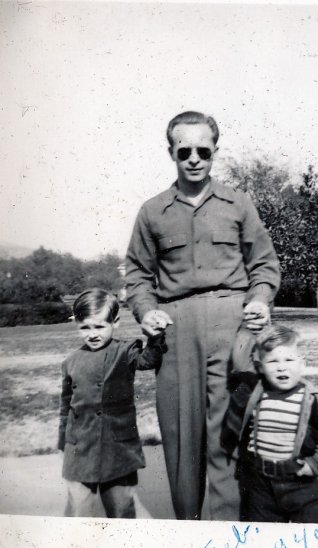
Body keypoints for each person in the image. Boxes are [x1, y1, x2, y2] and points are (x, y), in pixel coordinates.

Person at [125, 111, 280, 521]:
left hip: (233, 325)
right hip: (176, 329)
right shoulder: (152, 211)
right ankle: (188, 533)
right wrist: (147, 311)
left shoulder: (238, 203)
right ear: (171, 151)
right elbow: (138, 275)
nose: (194, 159)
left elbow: (264, 264)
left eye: (203, 150)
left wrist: (261, 299)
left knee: (229, 429)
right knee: (181, 435)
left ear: (215, 151)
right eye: (184, 150)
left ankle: (229, 533)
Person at [58, 288, 166, 518]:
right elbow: (66, 407)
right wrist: (63, 444)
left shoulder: (124, 351)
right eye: (85, 327)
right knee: (79, 510)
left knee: (122, 510)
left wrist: (155, 338)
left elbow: (148, 360)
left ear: (115, 322)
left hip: (118, 450)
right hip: (80, 451)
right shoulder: (71, 362)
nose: (92, 334)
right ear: (76, 324)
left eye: (99, 326)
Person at [222, 324, 318, 523]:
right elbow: (240, 363)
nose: (281, 367)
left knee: (307, 542)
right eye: (272, 361)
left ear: (302, 364)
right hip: (261, 484)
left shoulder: (314, 399)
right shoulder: (256, 393)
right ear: (260, 367)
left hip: (301, 482)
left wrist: (317, 462)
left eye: (289, 359)